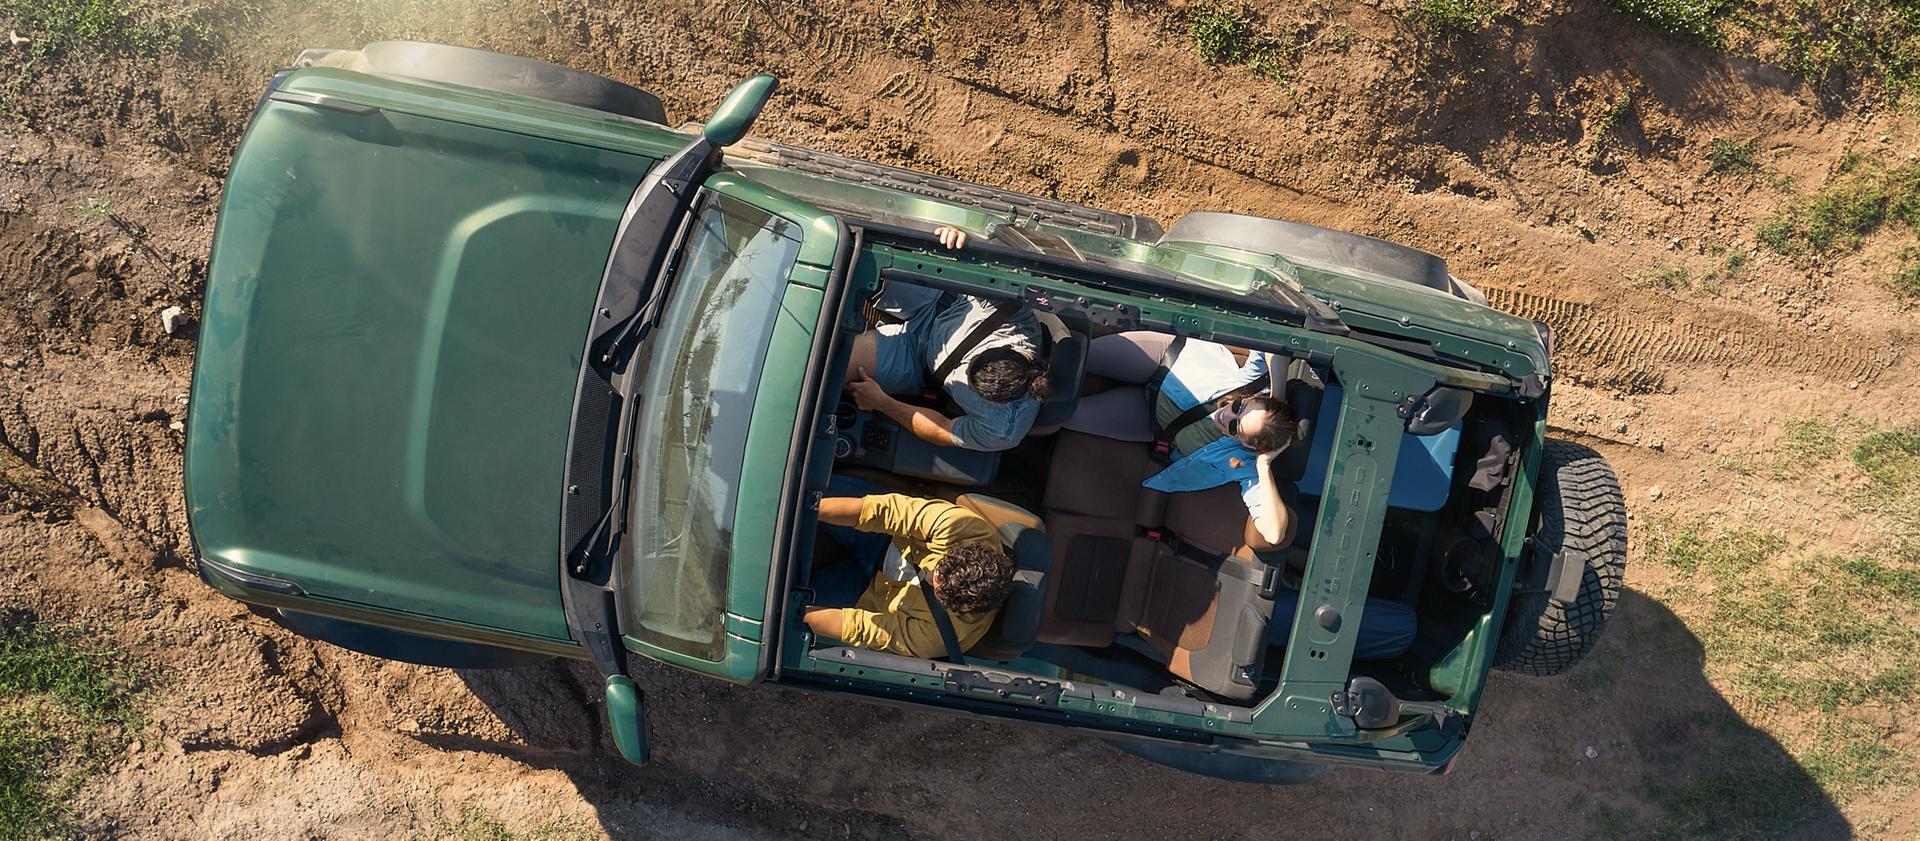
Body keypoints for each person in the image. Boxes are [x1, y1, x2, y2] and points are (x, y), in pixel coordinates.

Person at [1063, 331, 1299, 549]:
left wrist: (1264, 465)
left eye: (1234, 427)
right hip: (1164, 362)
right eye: (1239, 406)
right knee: (1073, 355)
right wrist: (1277, 396)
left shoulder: (1243, 462)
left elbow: (1273, 533)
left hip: (1149, 420)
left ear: (1248, 444)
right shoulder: (1251, 382)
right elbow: (1276, 339)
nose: (1226, 414)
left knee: (1063, 414)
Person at [844, 225, 1048, 453]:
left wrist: (882, 403)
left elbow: (942, 429)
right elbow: (989, 261)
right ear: (1007, 347)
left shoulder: (1003, 429)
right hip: (939, 298)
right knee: (864, 260)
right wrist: (964, 239)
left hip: (916, 359)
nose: (964, 370)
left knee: (838, 362)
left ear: (999, 402)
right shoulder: (1015, 318)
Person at [803, 474, 1015, 658]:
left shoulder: (940, 636)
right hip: (884, 538)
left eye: (937, 589)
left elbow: (860, 628)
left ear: (962, 609)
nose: (929, 577)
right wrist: (807, 508)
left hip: (867, 596)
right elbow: (884, 512)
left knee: (793, 602)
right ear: (959, 548)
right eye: (937, 570)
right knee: (811, 491)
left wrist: (786, 611)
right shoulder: (962, 528)